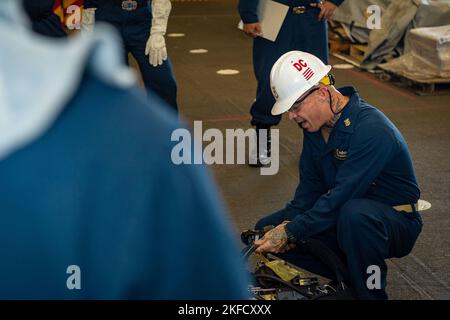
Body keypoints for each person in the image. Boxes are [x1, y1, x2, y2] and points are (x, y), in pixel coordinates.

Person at [0, 0, 248, 299]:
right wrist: (86, 13)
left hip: (141, 23)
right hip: (108, 21)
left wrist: (158, 28)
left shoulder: (144, 133)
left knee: (162, 86)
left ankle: (174, 156)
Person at [252, 51, 423, 299]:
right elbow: (307, 197)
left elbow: (340, 198)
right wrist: (276, 230)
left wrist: (290, 231)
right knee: (265, 228)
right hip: (344, 214)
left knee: (354, 214)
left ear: (322, 93)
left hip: (394, 221)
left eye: (296, 107)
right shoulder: (314, 129)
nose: (291, 116)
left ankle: (371, 293)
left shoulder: (373, 130)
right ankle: (353, 277)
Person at [238, 0, 344, 166]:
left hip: (312, 18)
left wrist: (334, 1)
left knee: (317, 83)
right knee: (269, 84)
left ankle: (316, 146)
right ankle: (262, 142)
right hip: (274, 18)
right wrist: (248, 15)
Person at [82, 0, 178, 112]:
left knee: (163, 82)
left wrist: (158, 32)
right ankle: (118, 127)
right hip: (108, 22)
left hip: (142, 22)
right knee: (113, 88)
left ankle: (165, 128)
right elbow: (90, 5)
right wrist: (88, 34)